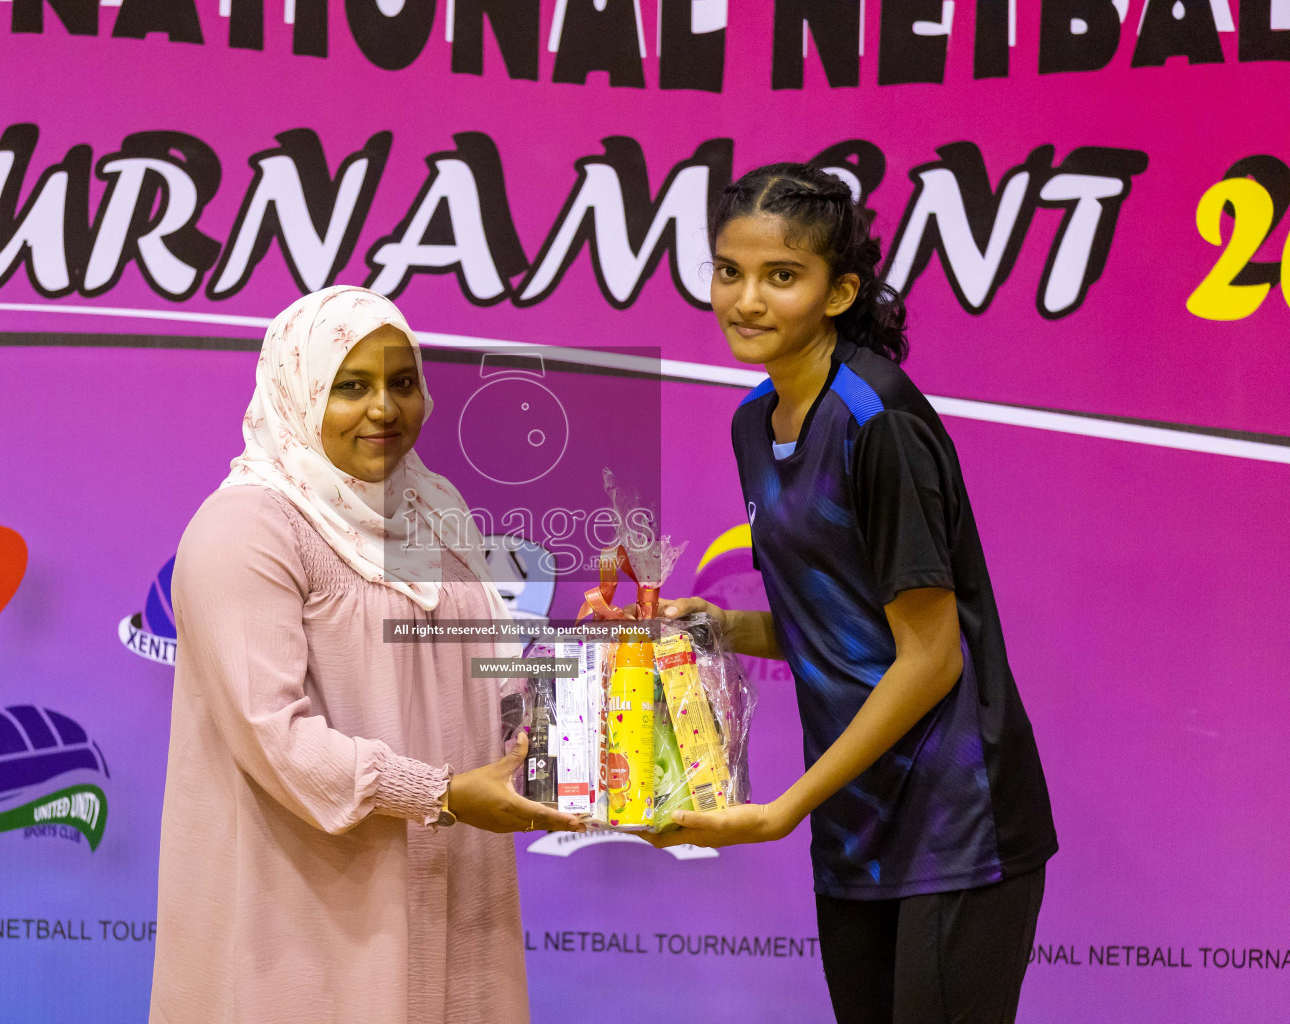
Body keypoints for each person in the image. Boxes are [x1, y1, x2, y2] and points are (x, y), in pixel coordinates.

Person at [648, 165, 1058, 1023]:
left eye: (782, 277)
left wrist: (782, 810)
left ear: (839, 292)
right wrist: (723, 626)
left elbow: (930, 658)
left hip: (958, 823)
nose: (746, 300)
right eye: (730, 271)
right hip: (857, 819)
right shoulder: (753, 423)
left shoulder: (879, 423)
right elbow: (835, 621)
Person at [149, 286, 581, 1024]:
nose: (384, 408)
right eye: (351, 386)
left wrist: (595, 664)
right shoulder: (247, 529)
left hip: (450, 888)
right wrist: (439, 793)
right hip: (311, 913)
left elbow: (488, 680)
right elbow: (277, 740)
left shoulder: (434, 509)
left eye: (402, 383)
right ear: (299, 391)